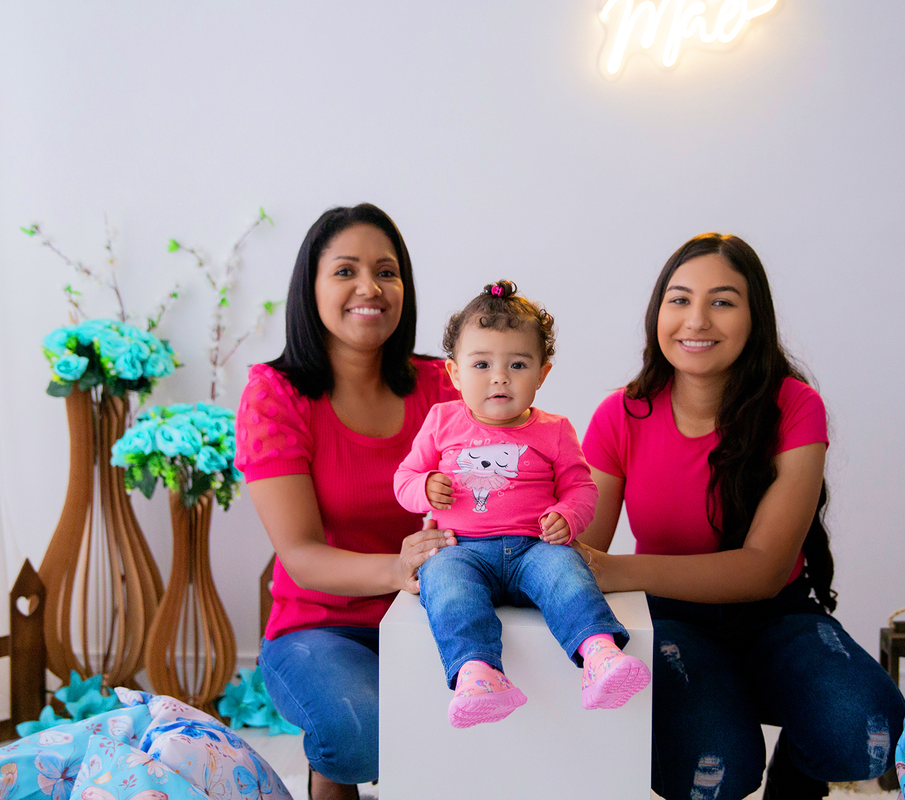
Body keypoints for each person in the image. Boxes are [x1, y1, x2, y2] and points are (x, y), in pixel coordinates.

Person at [574, 233, 905, 800]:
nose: (696, 320)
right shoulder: (620, 414)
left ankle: (794, 781)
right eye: (678, 300)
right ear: (658, 312)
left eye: (722, 301)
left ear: (756, 317)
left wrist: (620, 571)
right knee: (715, 767)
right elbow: (580, 551)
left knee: (870, 737)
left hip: (775, 616)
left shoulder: (796, 406)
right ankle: (721, 707)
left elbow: (762, 568)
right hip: (669, 624)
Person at [235, 204, 459, 800]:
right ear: (310, 288)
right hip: (321, 627)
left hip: (439, 615)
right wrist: (398, 568)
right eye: (345, 271)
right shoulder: (274, 394)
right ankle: (329, 778)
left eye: (387, 271)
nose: (370, 287)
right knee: (362, 733)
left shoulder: (444, 386)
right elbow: (302, 555)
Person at [393, 280, 651, 728]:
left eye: (517, 364)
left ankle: (599, 654)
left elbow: (582, 488)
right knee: (446, 585)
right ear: (454, 373)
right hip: (462, 549)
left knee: (568, 572)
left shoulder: (554, 430)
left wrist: (568, 516)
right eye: (481, 364)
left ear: (543, 373)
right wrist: (426, 485)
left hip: (534, 550)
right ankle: (477, 672)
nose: (500, 376)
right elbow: (404, 479)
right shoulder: (440, 422)